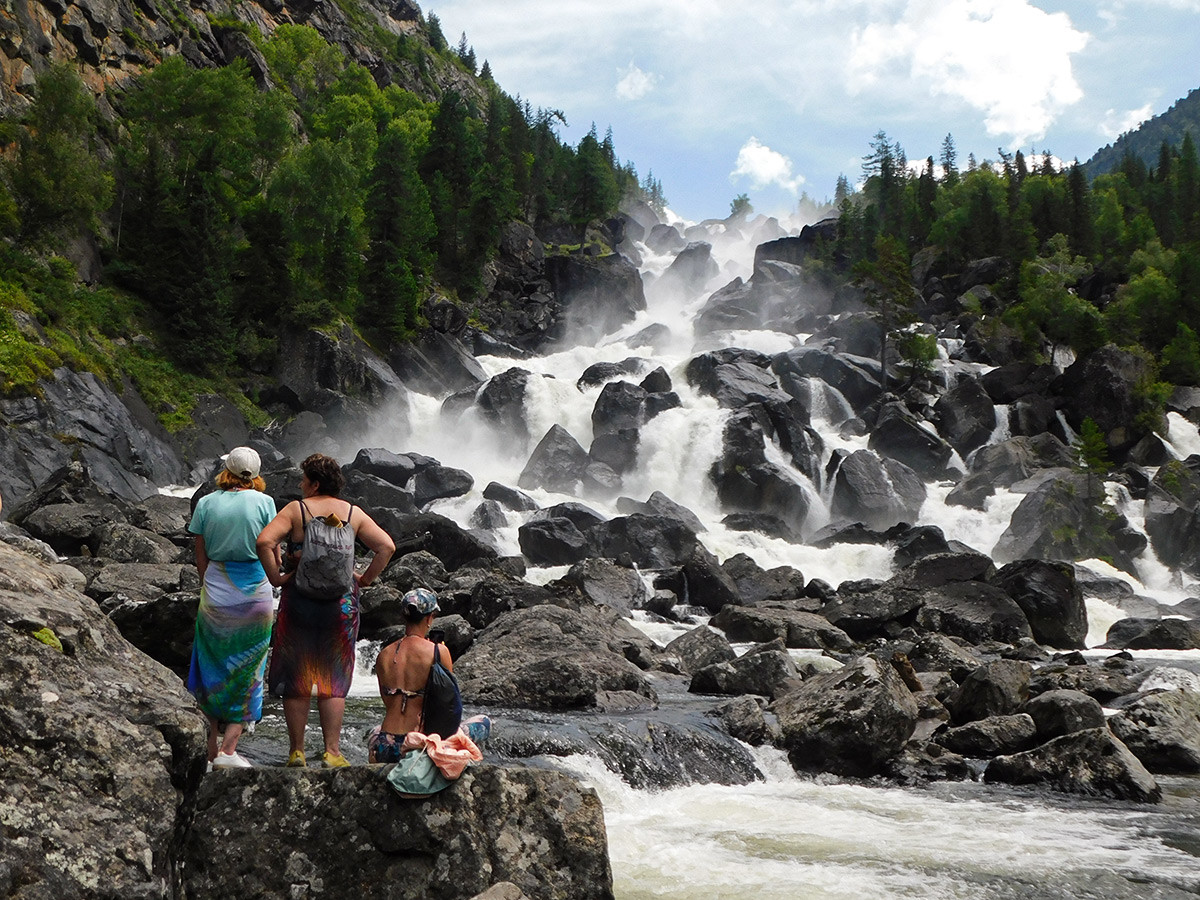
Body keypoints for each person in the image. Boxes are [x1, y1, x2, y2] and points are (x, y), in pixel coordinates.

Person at [256, 453, 395, 768]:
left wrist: (277, 577)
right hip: (340, 606)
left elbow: (264, 541)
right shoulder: (353, 513)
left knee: (297, 676)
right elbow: (386, 546)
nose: (302, 485)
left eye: (304, 480)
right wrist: (364, 579)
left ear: (314, 483)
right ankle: (332, 751)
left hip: (299, 602)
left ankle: (297, 751)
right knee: (333, 678)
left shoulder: (297, 510)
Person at [187, 446, 278, 768]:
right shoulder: (265, 503)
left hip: (216, 586)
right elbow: (272, 548)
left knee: (211, 665)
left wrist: (209, 584)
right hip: (254, 588)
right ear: (255, 474)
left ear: (225, 469)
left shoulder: (206, 503)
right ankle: (230, 750)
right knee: (249, 667)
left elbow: (201, 555)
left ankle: (210, 750)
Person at [369, 588, 489, 775]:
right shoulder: (438, 652)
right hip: (420, 745)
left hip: (387, 747)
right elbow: (449, 703)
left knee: (375, 730)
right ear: (429, 618)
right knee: (483, 722)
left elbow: (388, 701)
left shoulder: (384, 655)